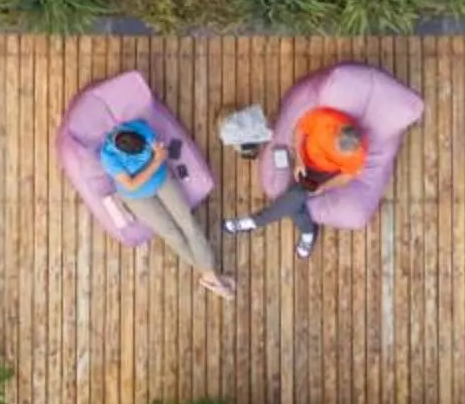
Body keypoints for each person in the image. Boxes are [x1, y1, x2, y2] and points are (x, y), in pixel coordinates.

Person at [100, 120, 235, 301]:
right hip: (137, 196)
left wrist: (155, 160)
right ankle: (210, 276)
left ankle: (210, 276)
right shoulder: (109, 156)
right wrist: (155, 161)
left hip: (161, 180)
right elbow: (132, 184)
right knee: (170, 233)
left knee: (188, 223)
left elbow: (159, 150)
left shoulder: (140, 128)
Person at [222, 104, 368, 260]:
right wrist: (299, 160)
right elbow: (300, 129)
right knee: (294, 201)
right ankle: (308, 232)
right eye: (336, 147)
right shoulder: (325, 119)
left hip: (322, 175)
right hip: (302, 160)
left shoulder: (358, 154)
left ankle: (253, 222)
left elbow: (347, 176)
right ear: (338, 131)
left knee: (297, 194)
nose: (336, 153)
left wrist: (324, 187)